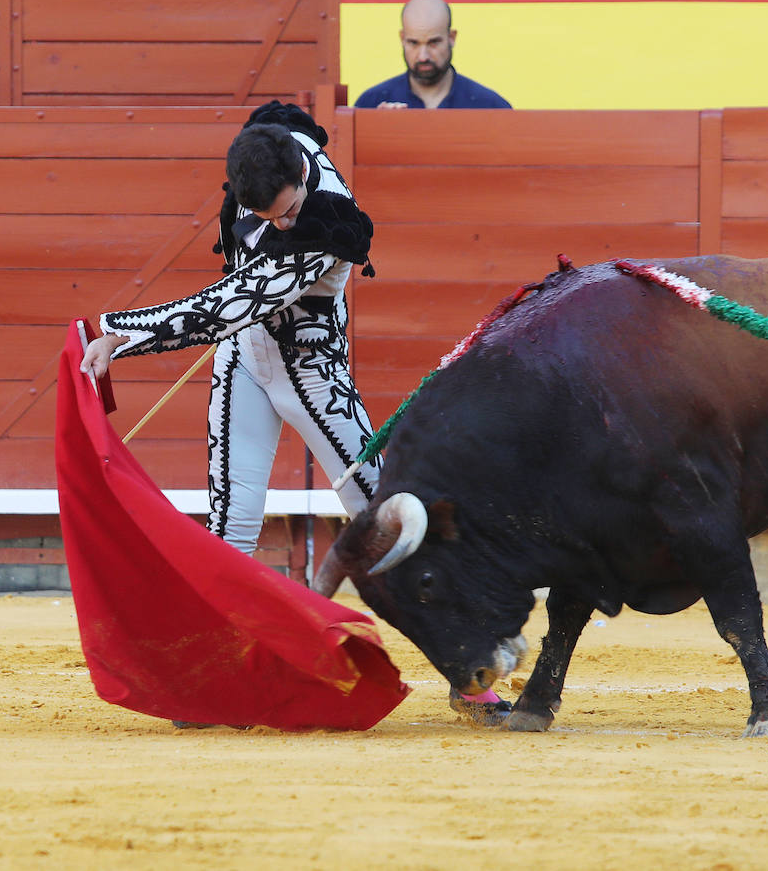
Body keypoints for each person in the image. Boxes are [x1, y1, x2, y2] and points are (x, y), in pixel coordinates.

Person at [80, 100, 511, 725]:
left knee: (384, 517)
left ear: (303, 182)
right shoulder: (264, 161)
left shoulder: (327, 220)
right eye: (265, 216)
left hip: (312, 372)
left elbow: (231, 303)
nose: (280, 225)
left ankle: (469, 669)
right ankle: (213, 678)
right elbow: (235, 293)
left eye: (286, 212)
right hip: (246, 360)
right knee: (231, 525)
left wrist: (122, 333)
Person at [354, 0, 512, 109]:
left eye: (433, 43)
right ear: (402, 38)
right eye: (413, 43)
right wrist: (376, 128)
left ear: (452, 37)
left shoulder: (490, 107)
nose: (423, 56)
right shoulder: (371, 104)